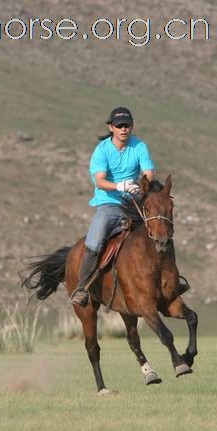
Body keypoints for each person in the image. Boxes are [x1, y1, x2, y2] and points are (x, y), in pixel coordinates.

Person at [70, 106, 155, 307]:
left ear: (132, 126)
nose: (123, 129)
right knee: (95, 242)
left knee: (159, 231)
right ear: (111, 127)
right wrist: (120, 185)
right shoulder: (102, 150)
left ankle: (171, 281)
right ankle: (82, 288)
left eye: (127, 125)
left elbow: (149, 172)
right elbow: (99, 181)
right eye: (119, 126)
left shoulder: (140, 146)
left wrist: (142, 184)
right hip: (109, 204)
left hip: (134, 202)